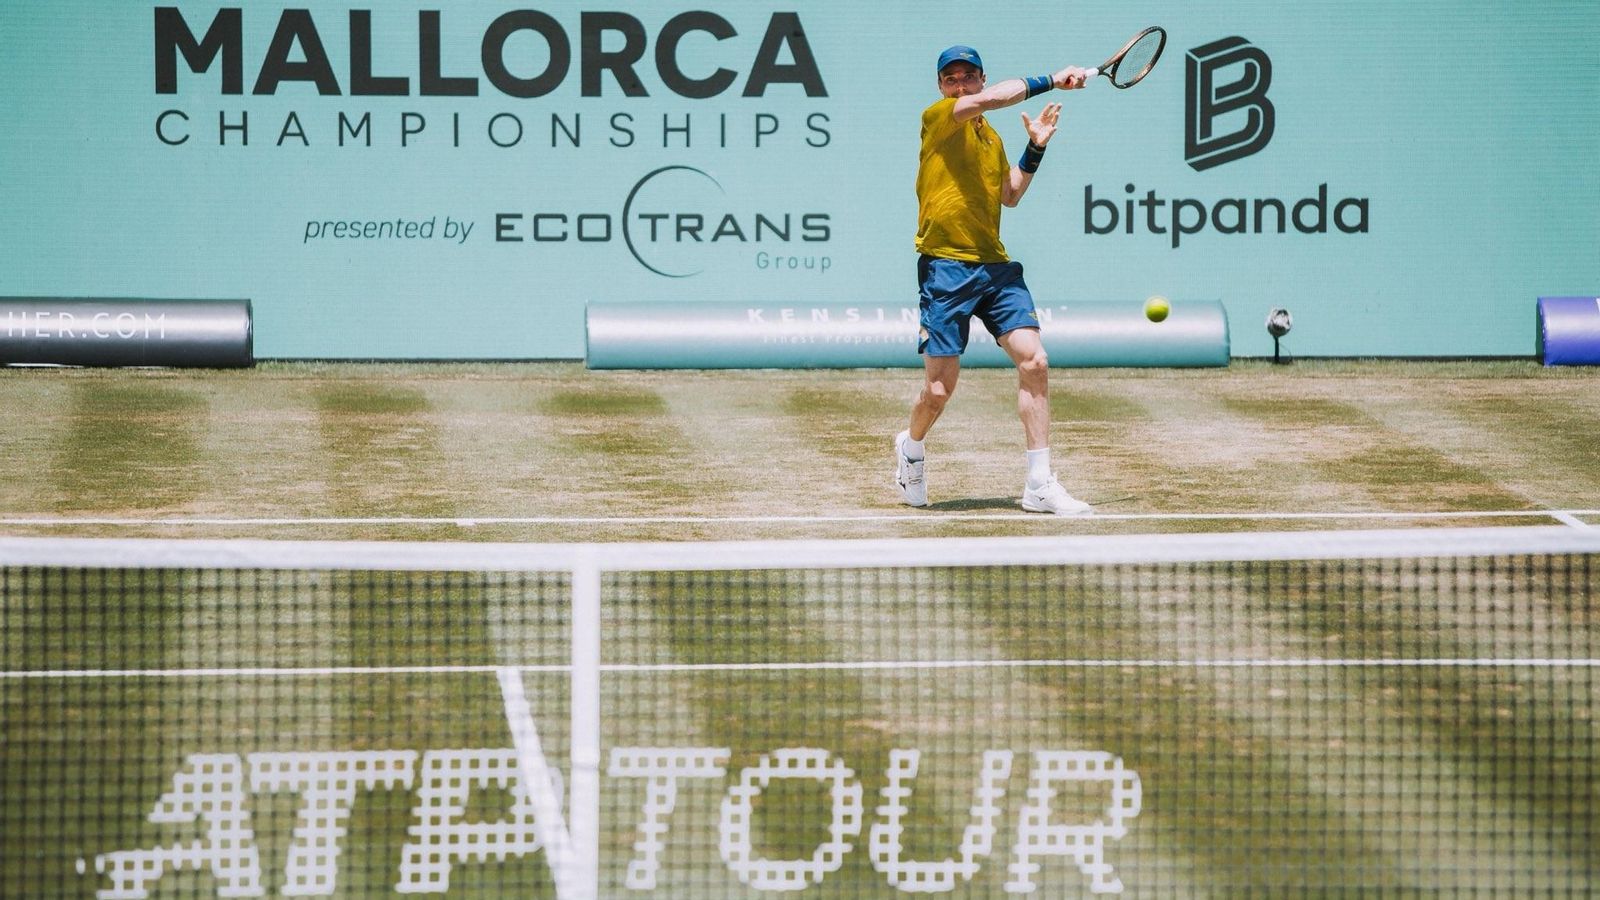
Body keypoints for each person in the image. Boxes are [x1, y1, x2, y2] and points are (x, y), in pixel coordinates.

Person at [894, 44, 1093, 515]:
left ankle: (1039, 484)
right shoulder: (941, 116)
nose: (959, 85)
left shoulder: (992, 141)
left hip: (995, 268)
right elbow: (992, 103)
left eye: (968, 77)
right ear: (942, 87)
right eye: (950, 78)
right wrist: (1052, 78)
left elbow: (1010, 194)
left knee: (1035, 362)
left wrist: (1035, 147)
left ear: (981, 78)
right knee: (939, 391)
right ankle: (911, 447)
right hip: (944, 266)